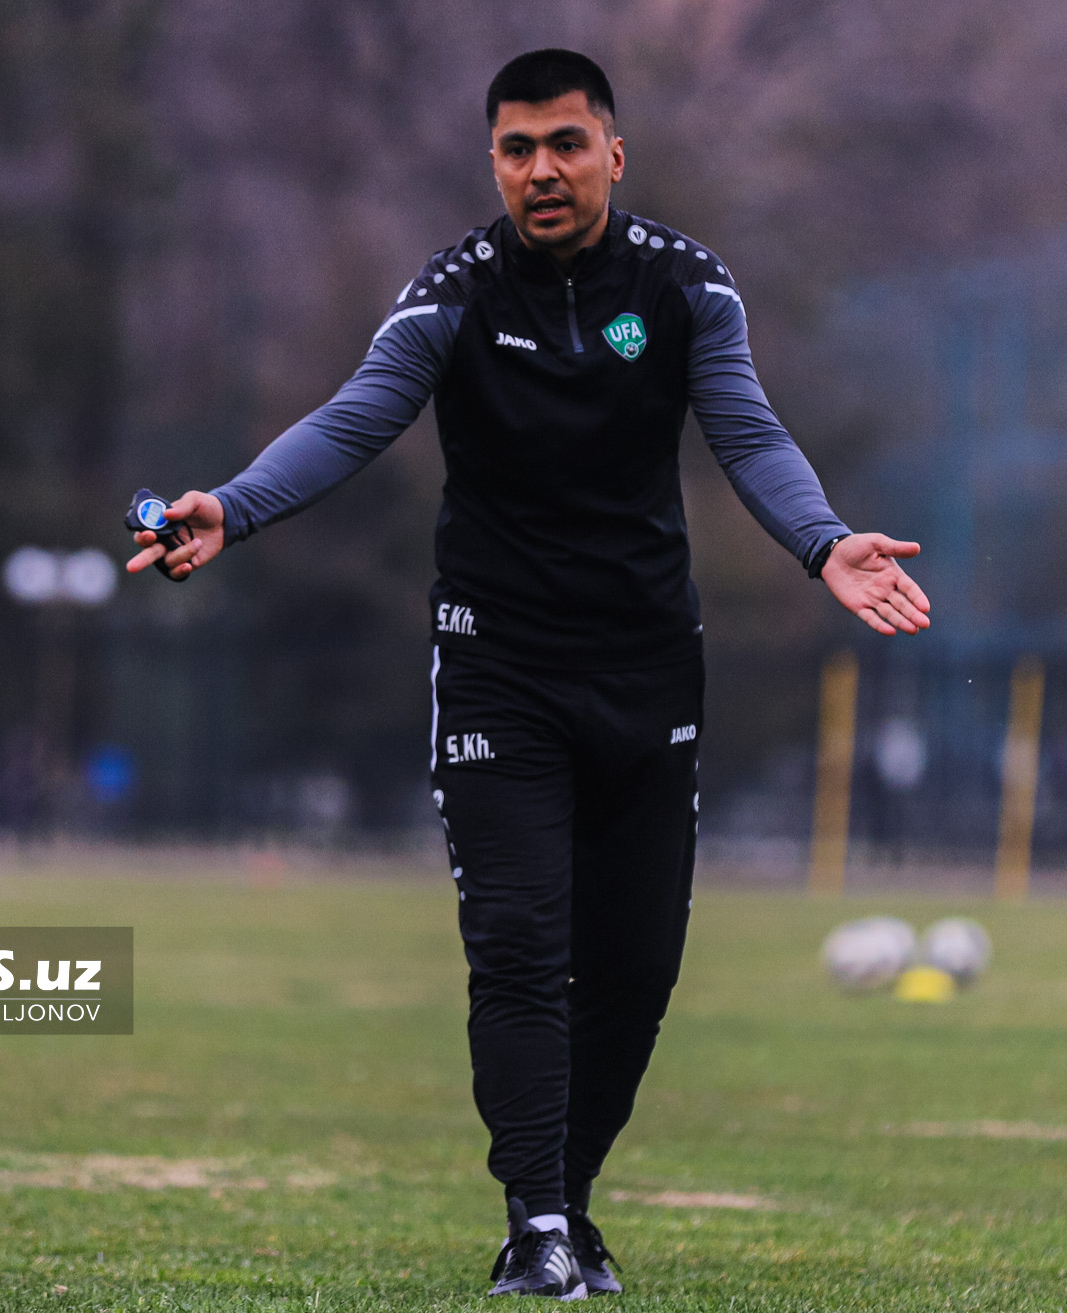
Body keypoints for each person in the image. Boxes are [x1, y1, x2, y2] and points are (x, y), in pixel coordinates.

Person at [127, 48, 929, 1298]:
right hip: (498, 663)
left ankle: (568, 1198)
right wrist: (233, 506)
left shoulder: (686, 289)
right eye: (516, 148)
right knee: (518, 940)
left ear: (615, 152)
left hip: (648, 667)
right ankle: (540, 1223)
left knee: (635, 966)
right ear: (492, 161)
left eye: (564, 143)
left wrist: (824, 541)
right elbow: (354, 415)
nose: (541, 170)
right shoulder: (451, 291)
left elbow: (746, 425)